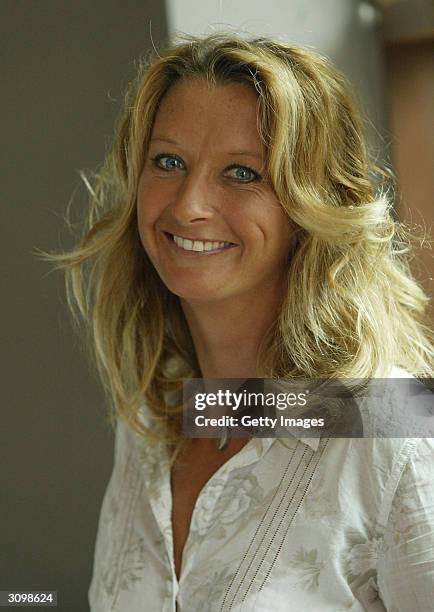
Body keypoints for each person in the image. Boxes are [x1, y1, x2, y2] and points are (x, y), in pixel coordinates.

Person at [46, 33, 433, 611]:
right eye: (168, 162)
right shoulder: (156, 419)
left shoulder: (398, 427)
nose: (188, 205)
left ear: (316, 204)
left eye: (243, 173)